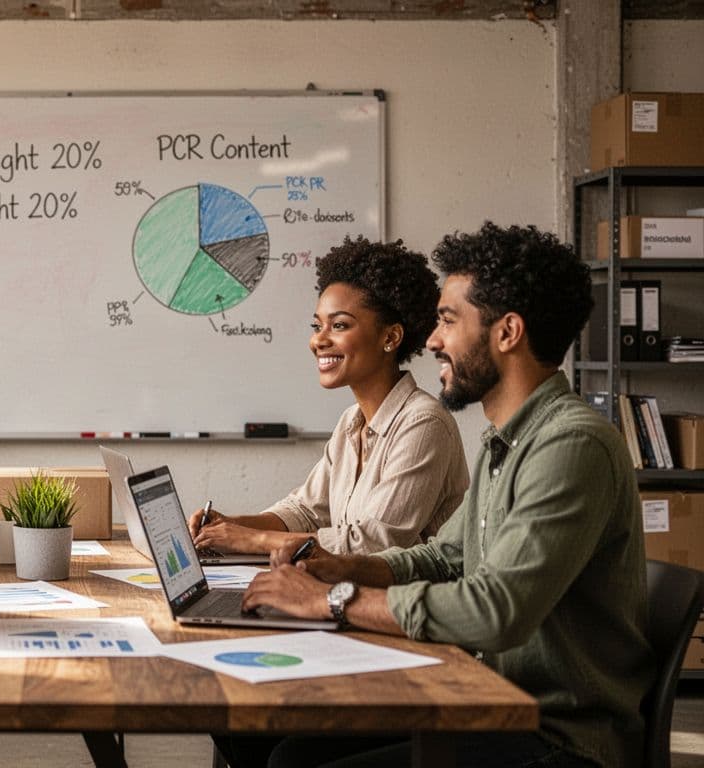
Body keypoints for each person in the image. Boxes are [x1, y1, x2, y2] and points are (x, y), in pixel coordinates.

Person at [229, 223, 654, 768]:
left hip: (555, 735)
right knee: (263, 735)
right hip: (488, 698)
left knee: (291, 760)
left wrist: (332, 601)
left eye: (448, 321)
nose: (430, 341)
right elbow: (442, 557)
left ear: (507, 333)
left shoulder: (571, 445)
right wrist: (339, 569)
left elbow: (496, 611)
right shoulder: (510, 440)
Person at [190, 236, 467, 557]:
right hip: (346, 592)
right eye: (316, 325)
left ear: (390, 337)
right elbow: (306, 510)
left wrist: (252, 540)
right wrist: (230, 526)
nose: (318, 340)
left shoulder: (424, 423)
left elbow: (373, 542)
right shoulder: (352, 421)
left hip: (401, 603)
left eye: (339, 325)